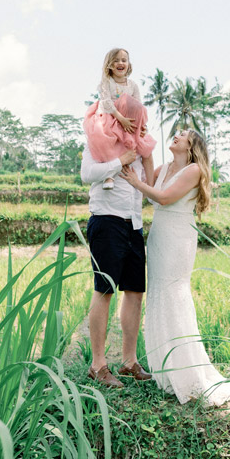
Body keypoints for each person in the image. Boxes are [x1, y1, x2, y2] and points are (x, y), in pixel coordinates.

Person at [121, 130, 230, 406]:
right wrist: (145, 148)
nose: (176, 135)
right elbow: (149, 187)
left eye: (183, 134)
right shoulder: (165, 167)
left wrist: (135, 182)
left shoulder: (194, 170)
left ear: (192, 145)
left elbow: (163, 198)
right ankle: (165, 370)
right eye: (176, 133)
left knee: (174, 293)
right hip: (159, 236)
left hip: (178, 236)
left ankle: (186, 370)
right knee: (158, 295)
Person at [80, 142, 153, 389]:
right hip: (106, 219)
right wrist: (120, 160)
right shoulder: (98, 140)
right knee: (104, 290)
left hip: (133, 223)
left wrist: (146, 154)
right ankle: (98, 365)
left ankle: (129, 361)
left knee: (135, 291)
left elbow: (148, 185)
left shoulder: (140, 149)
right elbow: (87, 174)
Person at [83, 47, 156, 190]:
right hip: (109, 118)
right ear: (109, 65)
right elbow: (107, 103)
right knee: (105, 140)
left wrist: (141, 126)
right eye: (116, 60)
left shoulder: (133, 85)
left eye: (124, 60)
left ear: (129, 64)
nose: (120, 63)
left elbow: (138, 105)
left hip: (127, 120)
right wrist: (121, 119)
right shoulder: (107, 82)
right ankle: (108, 175)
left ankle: (150, 186)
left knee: (146, 146)